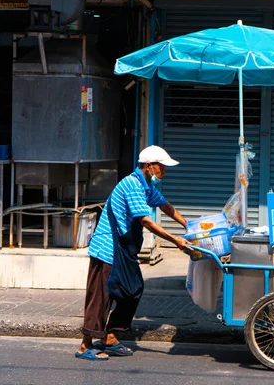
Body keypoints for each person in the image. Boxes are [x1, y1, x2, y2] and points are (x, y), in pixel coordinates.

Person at [75, 145, 193, 361]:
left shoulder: (146, 185)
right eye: (162, 167)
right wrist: (175, 240)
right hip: (108, 248)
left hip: (124, 250)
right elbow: (146, 220)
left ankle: (110, 336)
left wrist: (189, 226)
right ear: (148, 166)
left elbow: (165, 206)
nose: (164, 171)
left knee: (132, 290)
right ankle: (86, 344)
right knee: (102, 296)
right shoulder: (132, 185)